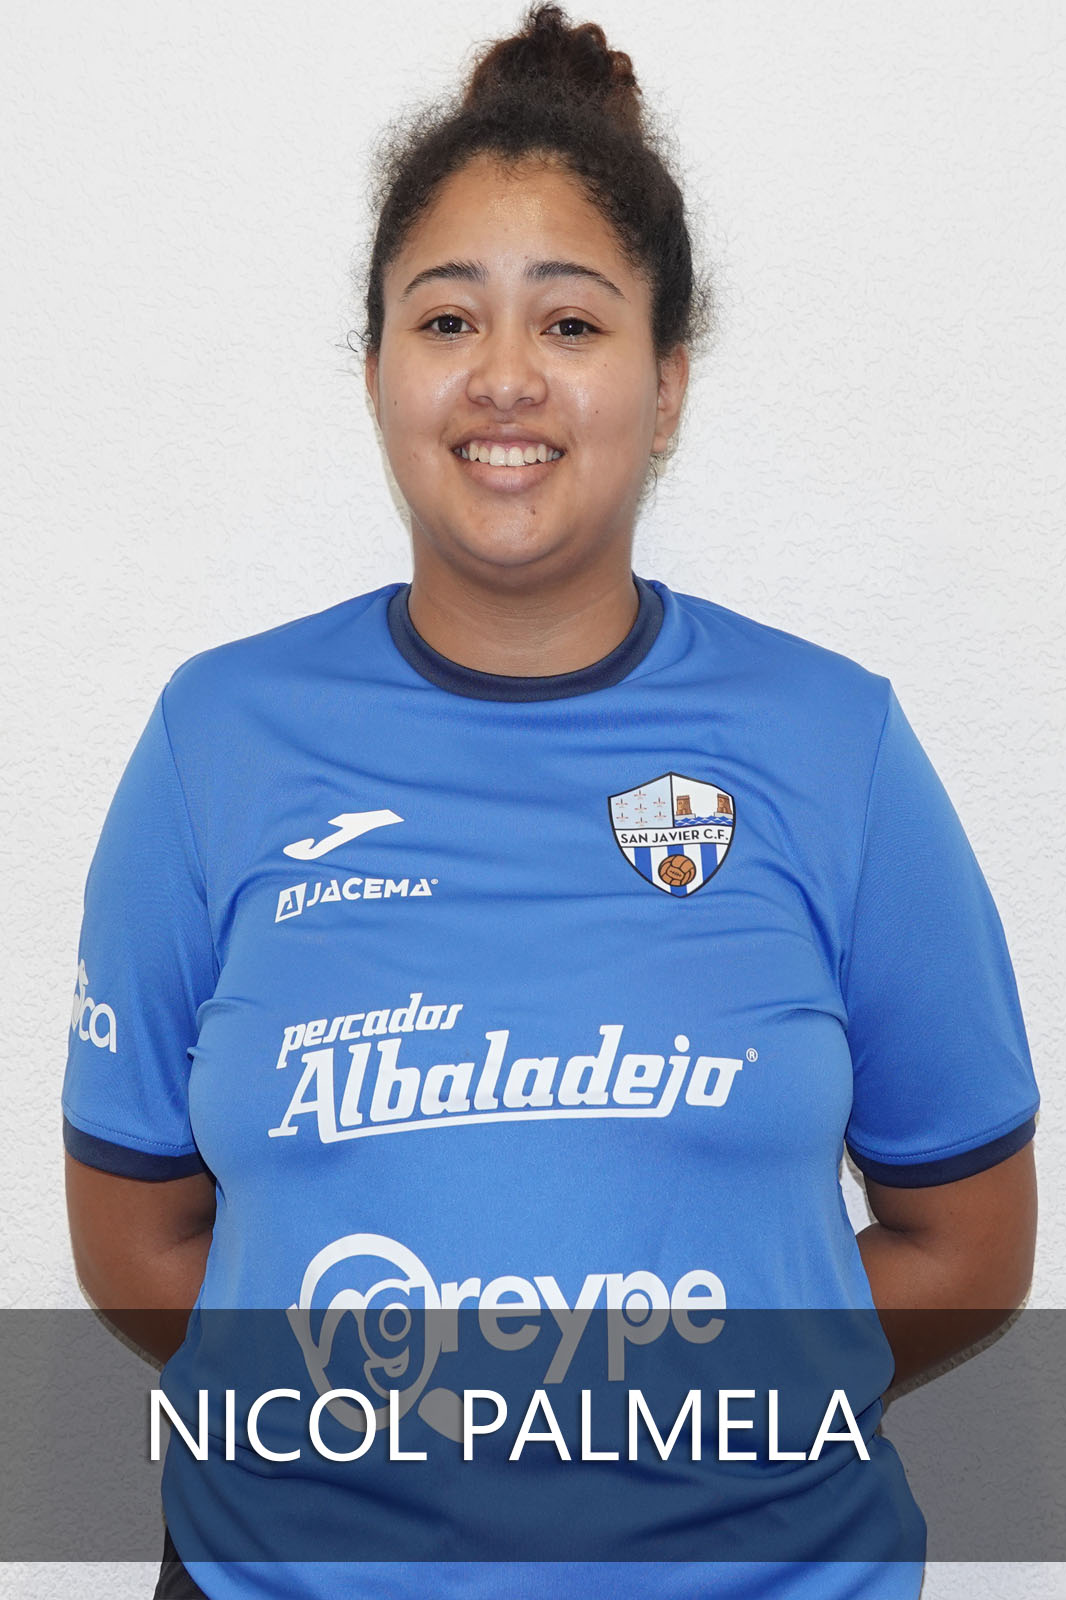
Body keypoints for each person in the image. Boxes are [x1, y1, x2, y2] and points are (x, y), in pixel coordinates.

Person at [62, 6, 1039, 1598]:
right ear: (375, 369)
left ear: (665, 384)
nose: (504, 379)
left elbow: (967, 1243)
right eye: (446, 319)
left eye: (571, 324)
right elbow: (135, 1234)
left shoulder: (832, 744)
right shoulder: (215, 742)